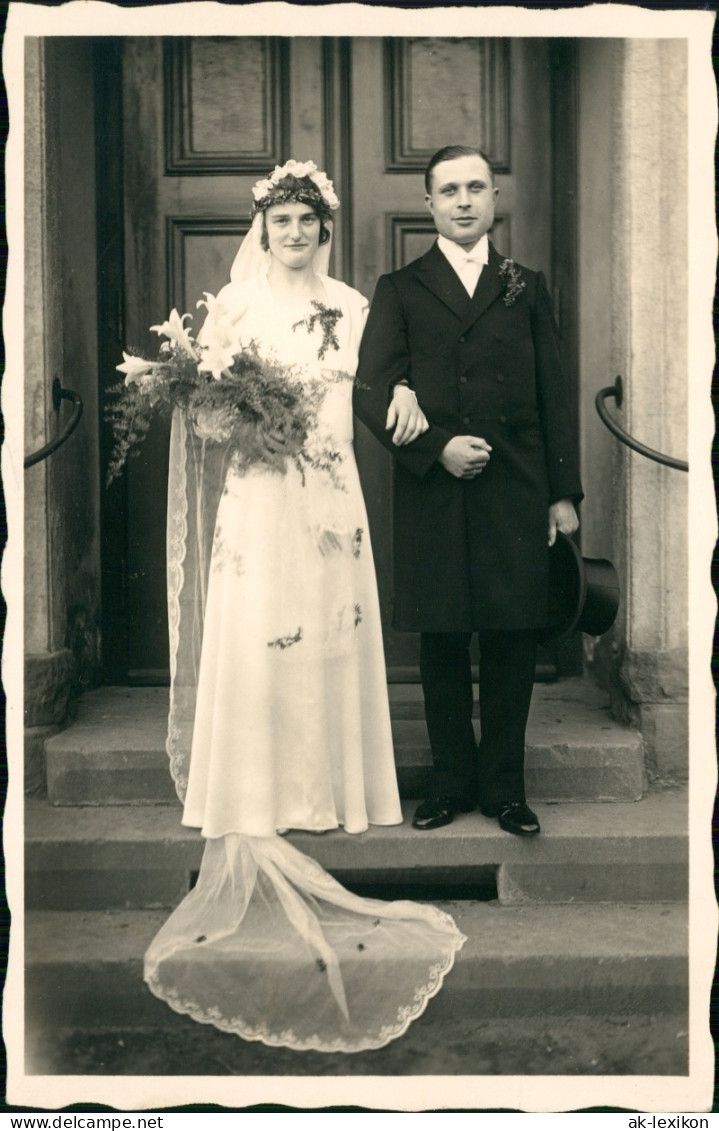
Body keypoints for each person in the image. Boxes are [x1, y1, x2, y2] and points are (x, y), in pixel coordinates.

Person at [143, 160, 464, 1053]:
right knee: (260, 631)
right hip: (260, 490)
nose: (293, 233)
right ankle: (258, 786)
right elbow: (201, 415)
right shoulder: (233, 308)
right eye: (281, 220)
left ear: (325, 228)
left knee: (325, 631)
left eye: (306, 221)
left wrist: (399, 390)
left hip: (330, 491)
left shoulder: (358, 306)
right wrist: (244, 418)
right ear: (264, 227)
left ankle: (332, 788)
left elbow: (382, 382)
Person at [354, 145, 582, 839]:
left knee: (512, 641)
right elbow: (368, 390)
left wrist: (560, 494)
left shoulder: (525, 284)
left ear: (492, 200)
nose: (462, 200)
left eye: (474, 187)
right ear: (427, 204)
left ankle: (505, 790)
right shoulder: (400, 287)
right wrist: (433, 448)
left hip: (514, 490)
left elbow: (552, 392)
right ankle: (449, 784)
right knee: (445, 641)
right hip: (433, 493)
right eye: (448, 189)